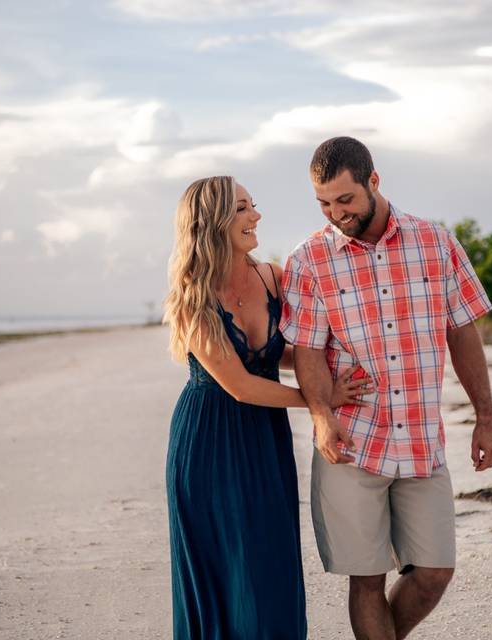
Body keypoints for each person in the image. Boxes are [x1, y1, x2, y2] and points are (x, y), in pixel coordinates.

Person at [280, 137, 492, 640]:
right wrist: (321, 416)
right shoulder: (310, 260)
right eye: (324, 204)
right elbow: (309, 350)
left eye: (346, 200)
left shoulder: (436, 243)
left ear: (373, 182)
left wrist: (485, 417)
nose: (336, 213)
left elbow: (463, 331)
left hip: (422, 440)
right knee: (367, 579)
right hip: (353, 443)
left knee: (434, 572)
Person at [163, 175, 372, 640]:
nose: (256, 215)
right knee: (223, 570)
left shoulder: (272, 277)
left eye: (253, 205)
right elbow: (239, 384)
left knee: (269, 563)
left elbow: (288, 351)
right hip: (208, 443)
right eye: (241, 208)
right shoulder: (193, 298)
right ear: (212, 221)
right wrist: (321, 398)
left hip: (263, 437)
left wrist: (339, 367)